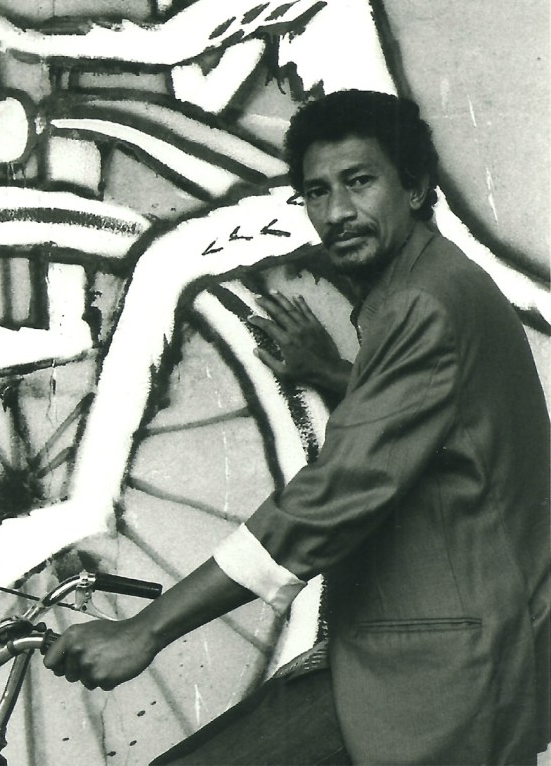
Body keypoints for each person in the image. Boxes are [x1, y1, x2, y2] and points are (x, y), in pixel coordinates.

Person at [0, 0, 549, 589]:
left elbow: (164, 48)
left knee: (164, 258)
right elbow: (201, 94)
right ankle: (68, 330)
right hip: (330, 189)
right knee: (85, 126)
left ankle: (87, 500)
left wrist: (25, 35)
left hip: (358, 192)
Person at [42, 91, 551, 766]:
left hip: (442, 669)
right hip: (443, 644)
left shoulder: (422, 303)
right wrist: (336, 374)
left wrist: (148, 628)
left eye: (359, 181)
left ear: (415, 186)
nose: (336, 212)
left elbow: (332, 495)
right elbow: (433, 422)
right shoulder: (431, 282)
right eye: (316, 191)